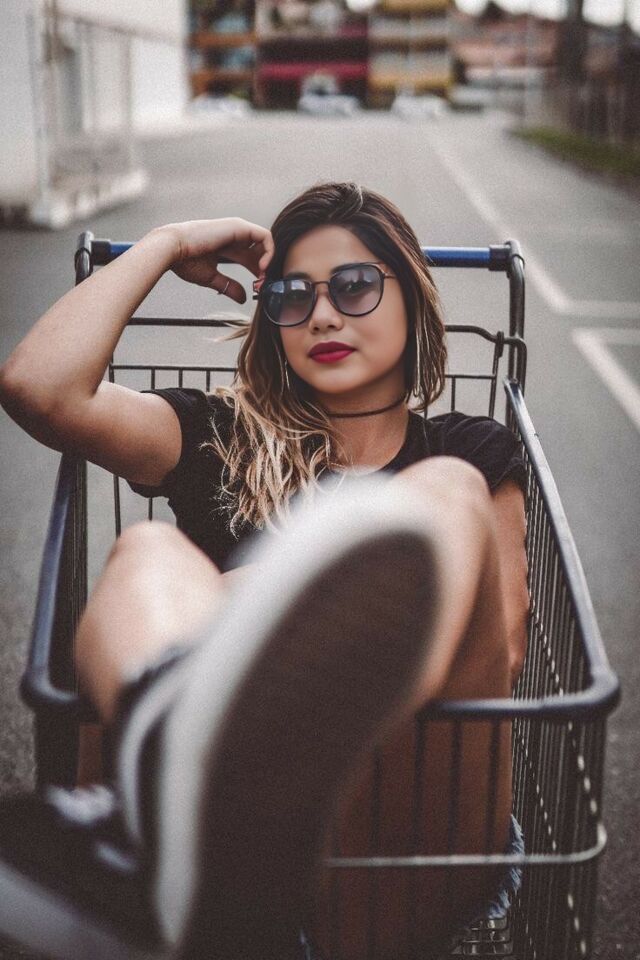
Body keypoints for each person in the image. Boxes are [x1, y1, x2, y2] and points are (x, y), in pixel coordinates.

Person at [0, 182, 529, 960]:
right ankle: (189, 779)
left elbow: (502, 648)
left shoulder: (468, 450)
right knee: (145, 552)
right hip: (225, 858)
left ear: (412, 299)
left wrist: (246, 601)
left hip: (401, 834)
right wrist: (168, 243)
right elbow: (38, 389)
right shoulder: (221, 437)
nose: (322, 315)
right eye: (289, 296)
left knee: (444, 491)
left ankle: (204, 760)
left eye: (354, 286)